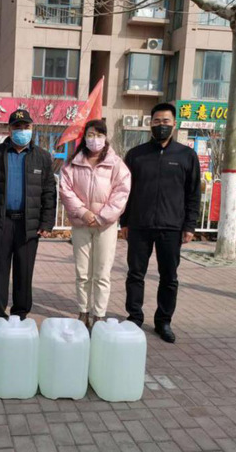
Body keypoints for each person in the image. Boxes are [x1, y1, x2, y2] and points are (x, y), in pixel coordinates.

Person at [120, 103, 201, 343]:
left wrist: (189, 225)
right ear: (150, 124)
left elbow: (193, 193)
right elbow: (126, 191)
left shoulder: (186, 156)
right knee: (135, 274)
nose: (161, 125)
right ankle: (134, 317)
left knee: (169, 277)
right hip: (139, 225)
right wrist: (125, 222)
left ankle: (163, 321)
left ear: (174, 124)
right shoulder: (136, 155)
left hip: (171, 226)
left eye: (165, 121)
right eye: (156, 121)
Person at [0, 109, 56, 322]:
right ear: (9, 129)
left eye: (26, 127)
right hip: (1, 221)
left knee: (24, 270)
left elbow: (49, 192)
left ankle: (20, 313)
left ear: (32, 128)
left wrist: (46, 222)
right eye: (17, 127)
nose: (22, 131)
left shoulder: (42, 157)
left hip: (28, 223)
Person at [59, 120, 131, 328]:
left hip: (105, 226)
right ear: (85, 137)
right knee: (82, 273)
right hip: (81, 225)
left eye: (99, 135)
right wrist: (83, 212)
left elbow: (121, 192)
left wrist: (101, 217)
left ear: (105, 137)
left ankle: (98, 315)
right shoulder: (74, 163)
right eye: (91, 134)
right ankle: (83, 312)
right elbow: (65, 189)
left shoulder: (115, 163)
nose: (95, 139)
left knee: (102, 273)